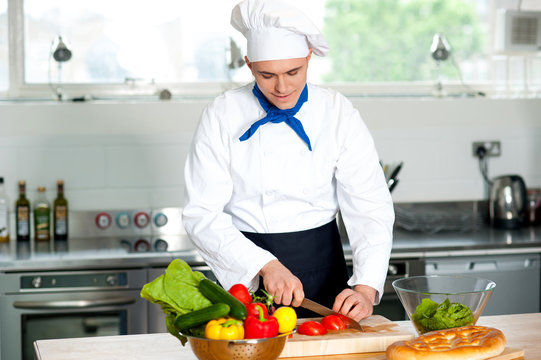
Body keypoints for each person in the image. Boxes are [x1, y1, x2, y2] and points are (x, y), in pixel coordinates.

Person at [182, 0, 394, 322]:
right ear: (249, 64)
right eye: (267, 75)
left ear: (309, 57)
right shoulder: (222, 114)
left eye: (293, 72)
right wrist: (265, 266)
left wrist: (365, 288)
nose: (282, 88)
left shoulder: (337, 112)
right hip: (247, 275)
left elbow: (370, 205)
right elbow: (201, 213)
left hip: (325, 275)